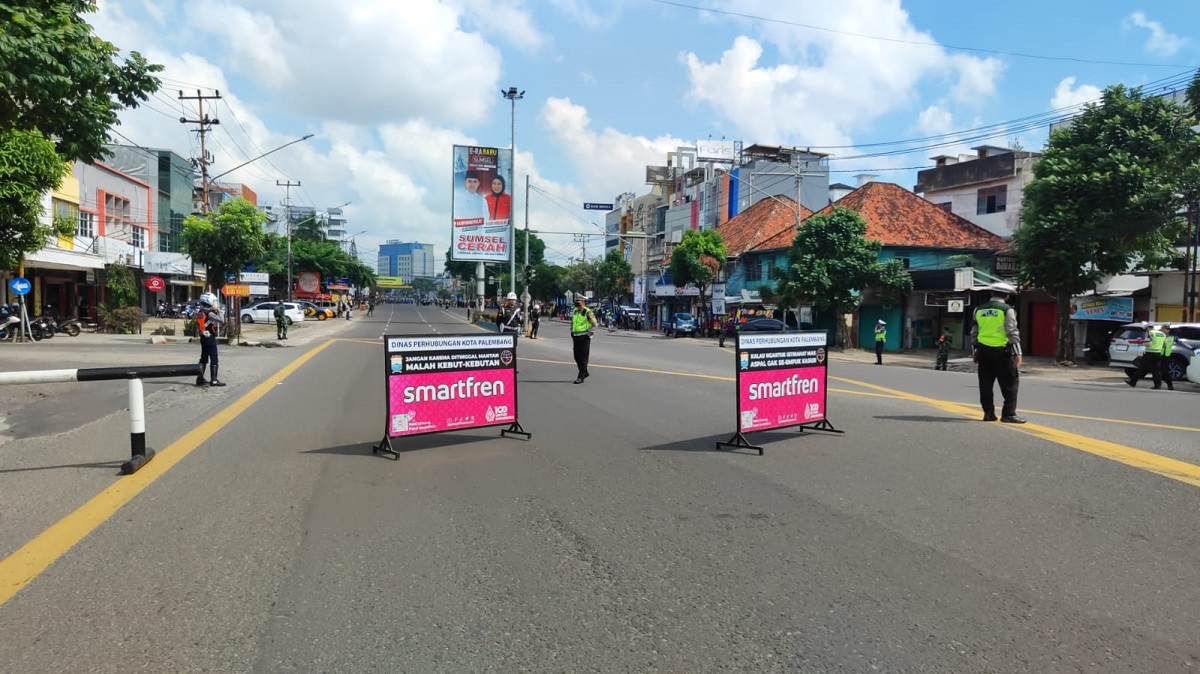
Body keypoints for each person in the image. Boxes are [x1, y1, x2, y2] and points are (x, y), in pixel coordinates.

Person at [970, 282, 1023, 423]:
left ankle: (988, 413)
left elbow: (974, 333)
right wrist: (1018, 353)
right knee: (1010, 382)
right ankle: (1008, 414)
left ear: (992, 294)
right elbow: (1012, 332)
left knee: (985, 383)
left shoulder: (978, 310)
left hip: (983, 351)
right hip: (1001, 351)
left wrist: (975, 352)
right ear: (1006, 296)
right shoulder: (1007, 310)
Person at [195, 292, 226, 387]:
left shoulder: (200, 312)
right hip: (210, 337)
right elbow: (221, 320)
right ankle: (214, 380)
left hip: (203, 337)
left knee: (203, 358)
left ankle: (199, 378)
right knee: (214, 357)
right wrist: (220, 310)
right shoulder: (209, 313)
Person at [1127, 324, 1165, 389]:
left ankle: (1133, 381)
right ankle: (1158, 385)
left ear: (1148, 328)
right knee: (1156, 370)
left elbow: (1148, 343)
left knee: (1142, 368)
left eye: (1146, 329)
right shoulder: (1162, 334)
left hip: (1149, 353)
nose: (1146, 330)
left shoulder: (1150, 333)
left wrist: (1142, 343)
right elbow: (1164, 345)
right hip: (1158, 353)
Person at [571, 296, 597, 384]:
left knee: (583, 357)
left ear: (583, 302)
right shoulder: (575, 311)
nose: (577, 304)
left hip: (584, 337)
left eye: (579, 302)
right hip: (576, 336)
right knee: (576, 357)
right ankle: (584, 372)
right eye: (576, 302)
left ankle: (581, 375)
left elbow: (595, 324)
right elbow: (573, 322)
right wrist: (572, 331)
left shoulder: (587, 312)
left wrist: (589, 334)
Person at [1158, 324, 1175, 391]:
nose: (1162, 330)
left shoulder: (1172, 336)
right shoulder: (1160, 335)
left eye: (1163, 329)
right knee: (1158, 370)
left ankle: (1169, 385)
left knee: (1164, 371)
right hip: (1160, 354)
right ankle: (1158, 384)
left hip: (1167, 355)